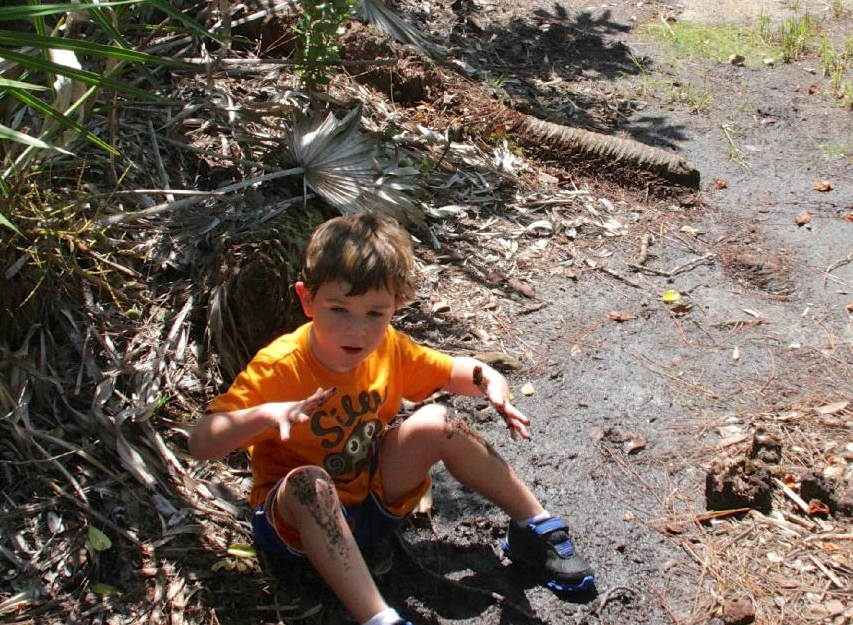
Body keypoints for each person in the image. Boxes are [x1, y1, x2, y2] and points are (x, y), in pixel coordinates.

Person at [188, 212, 595, 625]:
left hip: (369, 504)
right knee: (311, 484)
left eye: (374, 314)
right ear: (307, 300)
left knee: (440, 421)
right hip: (298, 529)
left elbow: (450, 371)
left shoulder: (389, 349)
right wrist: (268, 413)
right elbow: (201, 441)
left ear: (395, 307)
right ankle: (379, 618)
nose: (357, 331)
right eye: (339, 309)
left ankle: (534, 525)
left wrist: (489, 380)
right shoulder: (281, 367)